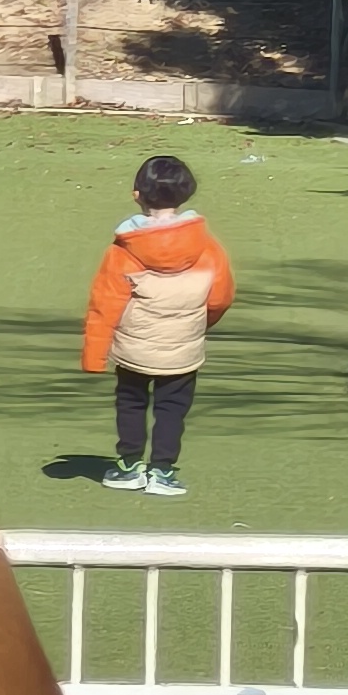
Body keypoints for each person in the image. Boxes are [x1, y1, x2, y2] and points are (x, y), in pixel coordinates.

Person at [80, 149, 234, 498]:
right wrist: (199, 325)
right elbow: (221, 297)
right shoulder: (208, 248)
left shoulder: (122, 251)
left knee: (131, 403)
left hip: (134, 349)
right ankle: (162, 471)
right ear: (186, 194)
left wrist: (93, 356)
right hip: (183, 351)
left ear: (137, 195)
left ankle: (129, 466)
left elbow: (104, 305)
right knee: (172, 409)